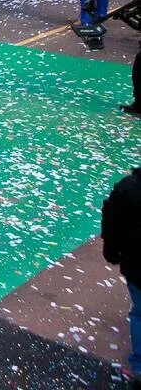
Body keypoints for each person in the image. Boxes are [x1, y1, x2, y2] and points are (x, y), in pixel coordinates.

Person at [101, 166, 141, 390]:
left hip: (136, 266)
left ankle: (139, 368)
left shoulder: (127, 188)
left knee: (140, 313)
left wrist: (112, 249)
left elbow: (111, 219)